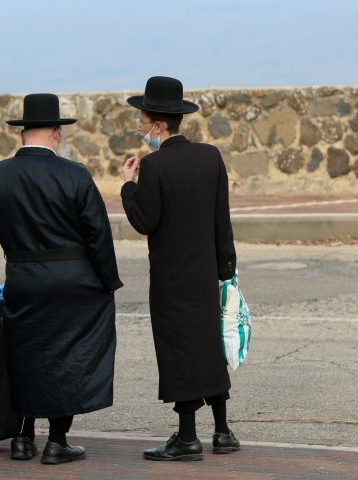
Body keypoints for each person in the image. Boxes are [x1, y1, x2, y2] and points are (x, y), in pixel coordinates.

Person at [0, 93, 123, 465]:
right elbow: (98, 234)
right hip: (74, 282)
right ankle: (58, 441)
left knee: (24, 354)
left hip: (23, 277)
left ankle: (23, 437)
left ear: (21, 135)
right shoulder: (76, 175)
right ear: (55, 133)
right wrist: (108, 281)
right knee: (69, 354)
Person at [121, 76, 241, 461]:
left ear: (159, 125)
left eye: (141, 123)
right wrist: (227, 270)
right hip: (206, 273)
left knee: (179, 351)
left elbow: (144, 220)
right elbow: (222, 220)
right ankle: (222, 431)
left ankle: (187, 437)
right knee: (209, 346)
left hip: (172, 279)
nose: (140, 130)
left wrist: (129, 185)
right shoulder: (211, 157)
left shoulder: (155, 166)